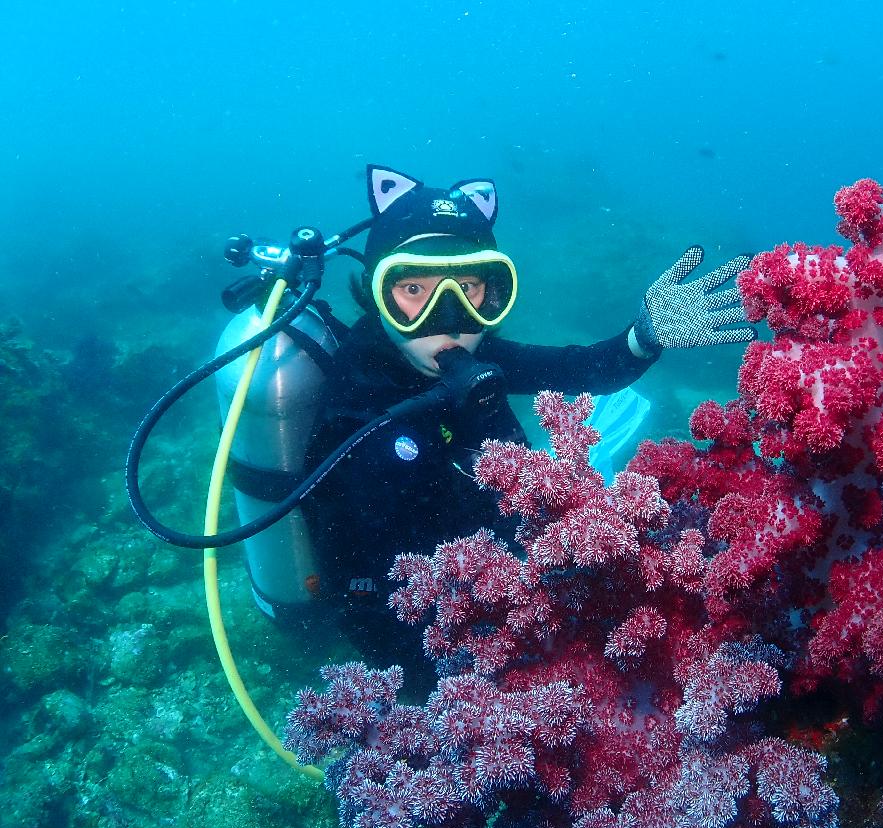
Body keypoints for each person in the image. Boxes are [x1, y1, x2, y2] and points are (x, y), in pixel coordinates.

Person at [300, 166, 754, 685]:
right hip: (411, 620)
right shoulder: (355, 398)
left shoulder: (478, 353)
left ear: (491, 290)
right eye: (413, 288)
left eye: (466, 286)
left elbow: (579, 368)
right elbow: (364, 577)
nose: (447, 316)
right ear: (376, 294)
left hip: (513, 561)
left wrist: (643, 338)